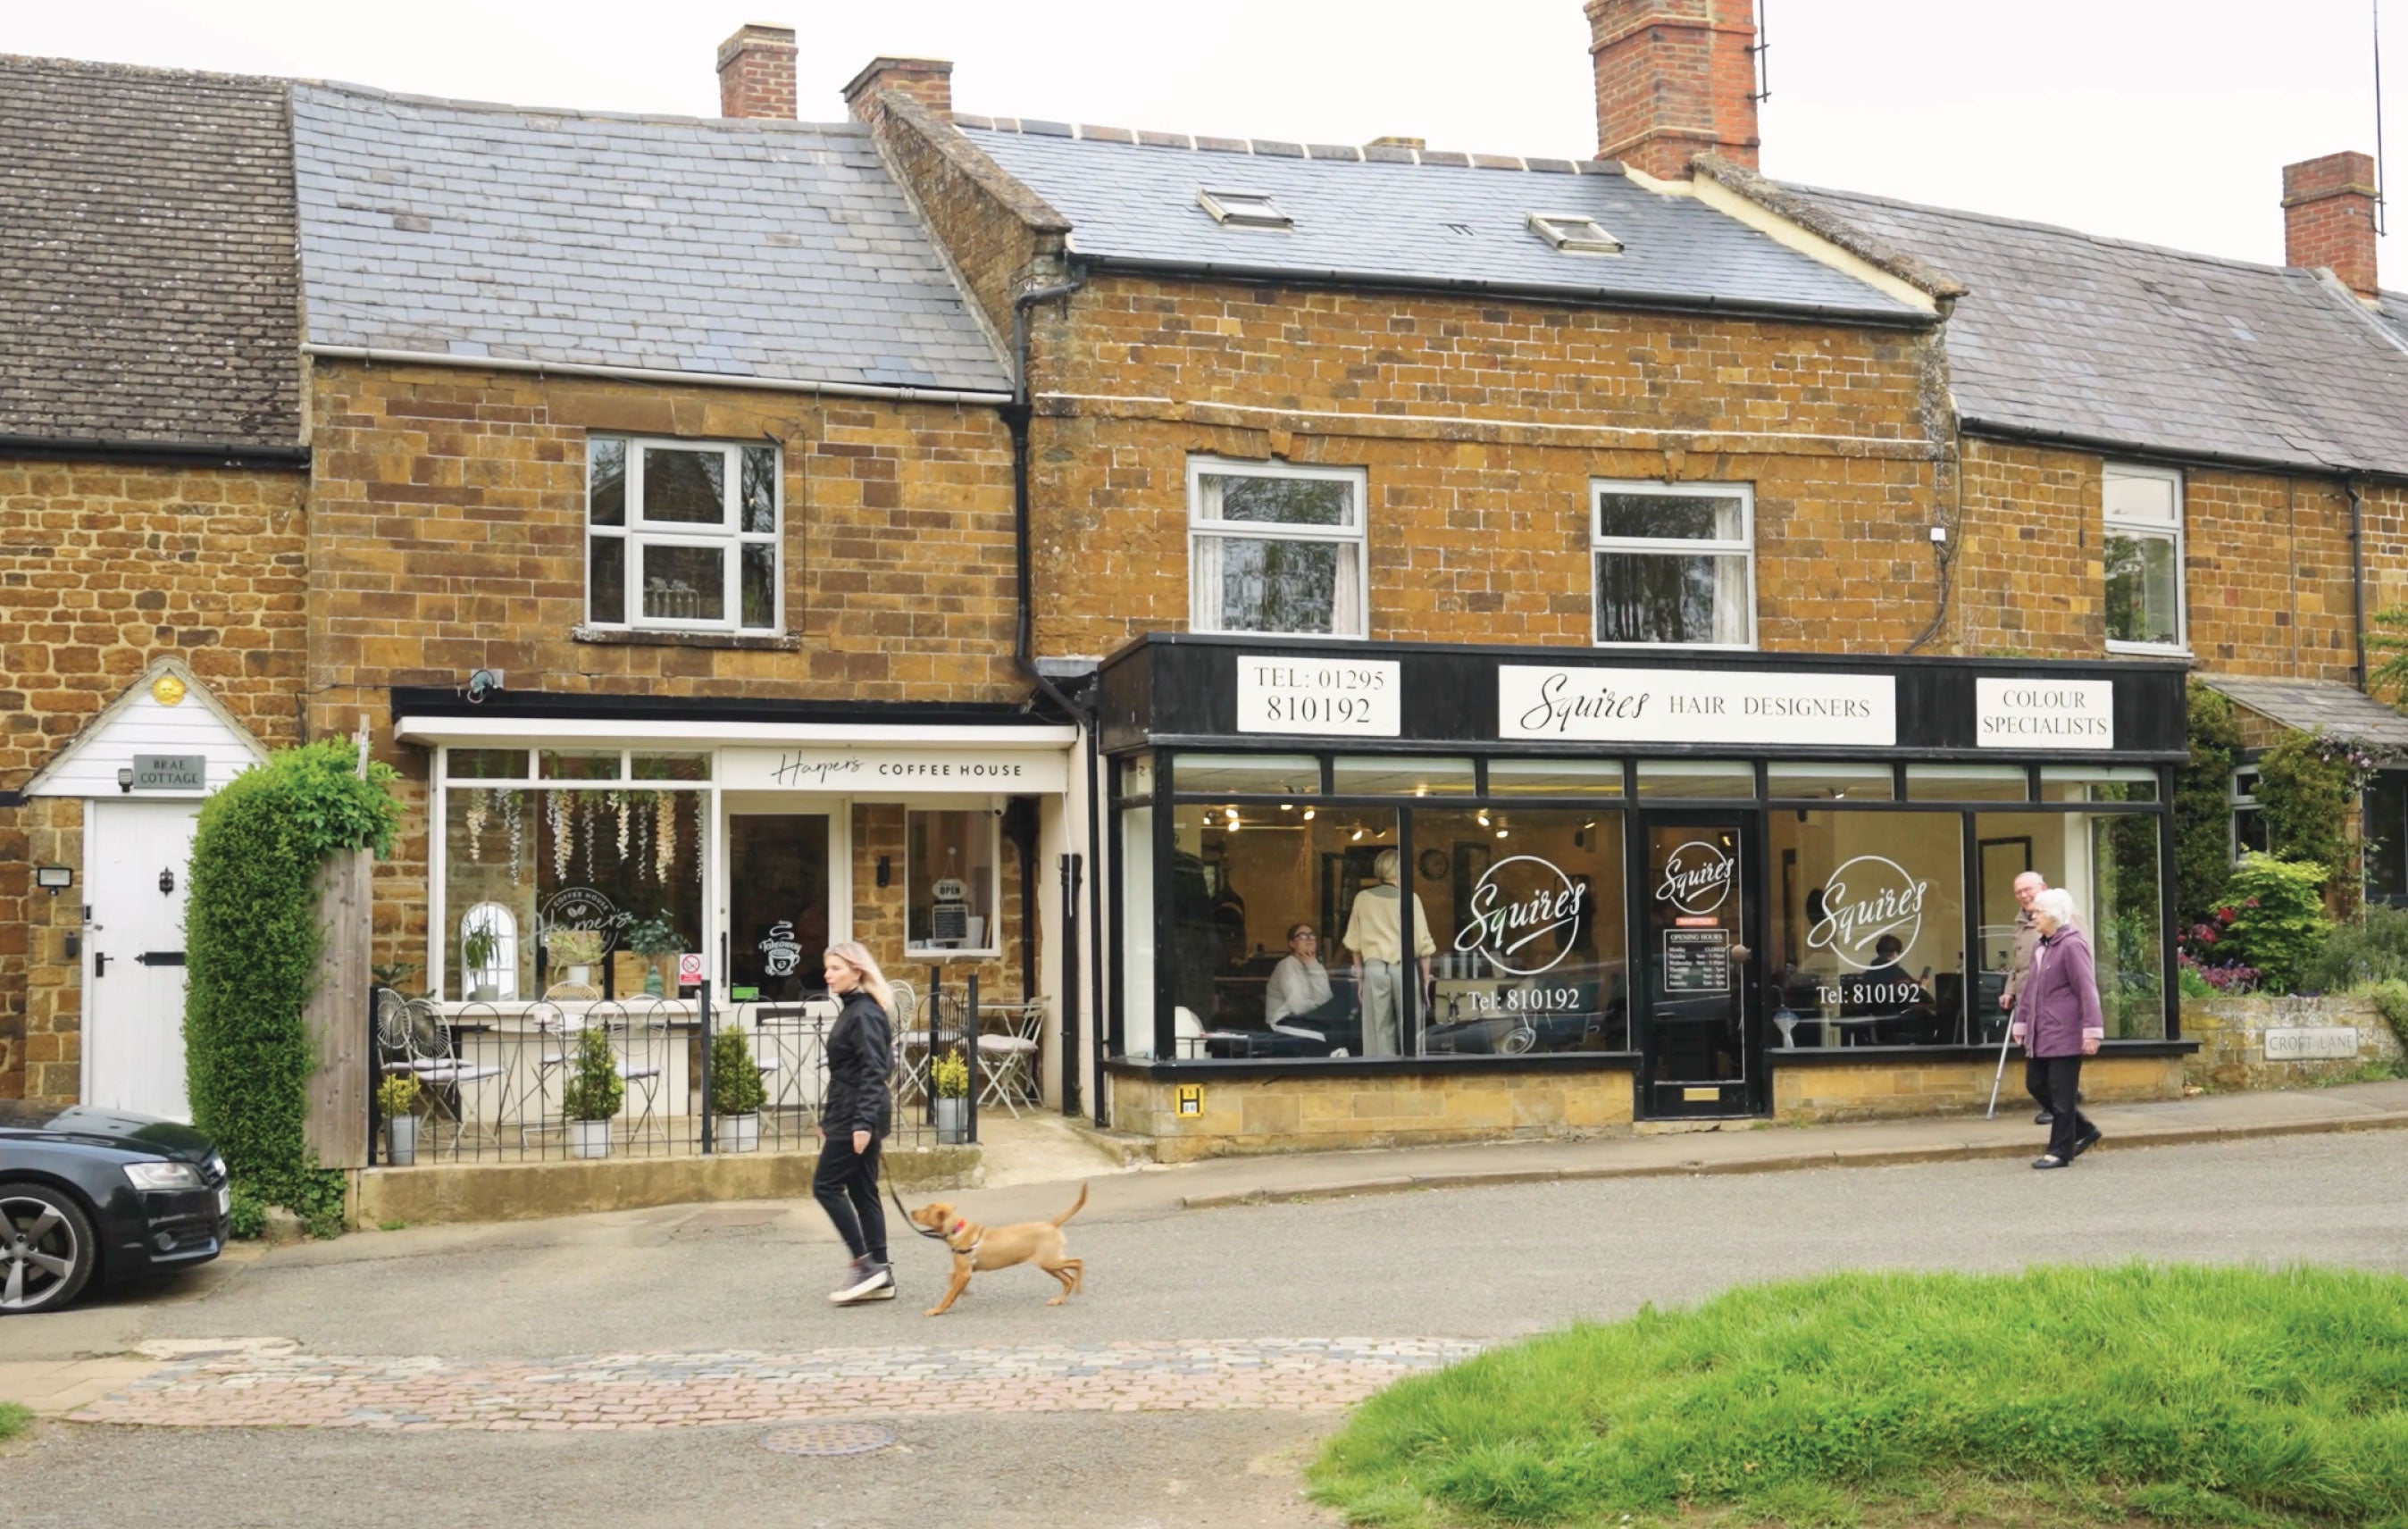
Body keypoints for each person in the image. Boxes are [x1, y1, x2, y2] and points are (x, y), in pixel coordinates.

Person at [815, 941, 897, 1304]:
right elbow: (846, 1072)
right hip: (848, 1112)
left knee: (827, 1186)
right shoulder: (854, 1010)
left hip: (858, 1116)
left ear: (857, 971)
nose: (827, 975)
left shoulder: (864, 1013)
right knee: (864, 1191)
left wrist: (861, 1123)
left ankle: (866, 1266)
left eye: (835, 968)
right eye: (828, 968)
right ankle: (882, 1273)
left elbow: (874, 1070)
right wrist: (828, 1116)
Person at [2011, 888, 2104, 1170]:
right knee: (2036, 1084)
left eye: (2038, 912)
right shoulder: (2042, 946)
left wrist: (2092, 1030)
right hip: (2041, 1032)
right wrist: (2022, 1022)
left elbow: (2086, 989)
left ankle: (2059, 1151)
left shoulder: (2072, 945)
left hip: (2065, 1030)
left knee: (2062, 1095)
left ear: (2052, 915)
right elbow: (2030, 990)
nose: (2033, 915)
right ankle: (2084, 1129)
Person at [1342, 848, 1435, 1057]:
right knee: (1411, 1029)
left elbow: (1354, 945)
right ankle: (1411, 1073)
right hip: (1403, 969)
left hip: (1375, 968)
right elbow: (1424, 947)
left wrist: (1360, 979)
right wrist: (1425, 980)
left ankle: (1382, 1075)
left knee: (1378, 1028)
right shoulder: (1411, 898)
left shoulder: (1362, 898)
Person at [2000, 871, 2060, 1125]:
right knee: (2034, 1050)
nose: (2023, 896)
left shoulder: (2056, 917)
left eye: (2028, 889)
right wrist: (2009, 991)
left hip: (2048, 996)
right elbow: (2018, 963)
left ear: (2043, 887)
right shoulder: (2020, 921)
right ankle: (2059, 1099)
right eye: (2018, 892)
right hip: (2026, 995)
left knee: (2048, 1051)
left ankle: (2056, 1103)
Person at [1265, 923, 1354, 1035]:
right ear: (1292, 943)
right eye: (1302, 936)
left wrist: (1313, 965)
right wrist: (1318, 1006)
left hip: (1306, 1021)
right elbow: (1298, 1007)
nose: (1309, 939)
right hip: (1283, 1024)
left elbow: (1326, 997)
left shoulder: (1313, 964)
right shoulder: (1287, 965)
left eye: (1312, 936)